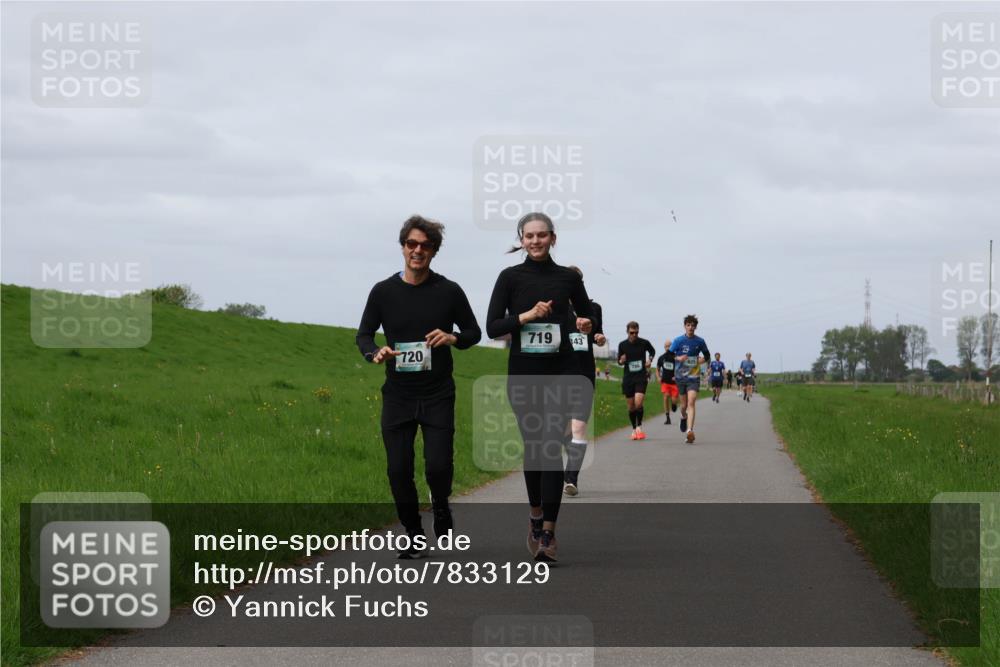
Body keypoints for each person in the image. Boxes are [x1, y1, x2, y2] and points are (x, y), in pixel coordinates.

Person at [356, 215, 482, 559]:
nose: (418, 250)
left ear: (434, 251)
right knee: (398, 469)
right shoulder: (383, 291)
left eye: (425, 246)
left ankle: (441, 505)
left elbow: (474, 333)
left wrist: (452, 336)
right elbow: (364, 334)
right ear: (402, 248)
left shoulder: (449, 291)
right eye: (412, 244)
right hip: (398, 395)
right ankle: (413, 532)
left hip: (438, 393)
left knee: (438, 466)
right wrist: (375, 351)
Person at [486, 212, 593, 562]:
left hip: (562, 371)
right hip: (524, 375)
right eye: (529, 236)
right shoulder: (509, 277)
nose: (535, 241)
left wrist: (587, 322)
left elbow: (588, 311)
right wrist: (527, 317)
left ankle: (548, 533)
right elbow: (492, 326)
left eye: (541, 235)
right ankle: (534, 515)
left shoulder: (566, 278)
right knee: (534, 449)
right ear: (521, 238)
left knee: (550, 449)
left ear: (552, 238)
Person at [563, 266, 606, 497]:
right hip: (558, 374)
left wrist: (599, 337)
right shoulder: (555, 308)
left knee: (579, 426)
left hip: (584, 372)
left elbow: (599, 335)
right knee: (563, 430)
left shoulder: (592, 308)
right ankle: (569, 463)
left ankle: (571, 478)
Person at [669, 315, 711, 444]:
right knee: (684, 405)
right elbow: (668, 356)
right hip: (680, 376)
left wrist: (701, 360)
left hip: (694, 376)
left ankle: (689, 431)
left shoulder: (700, 341)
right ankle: (683, 416)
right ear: (685, 326)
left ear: (696, 327)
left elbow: (707, 355)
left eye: (693, 325)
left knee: (691, 402)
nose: (691, 327)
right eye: (688, 325)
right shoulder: (678, 341)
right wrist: (678, 358)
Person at [617, 322, 656, 440]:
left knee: (638, 403)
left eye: (636, 332)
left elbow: (652, 351)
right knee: (631, 407)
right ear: (627, 332)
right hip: (628, 378)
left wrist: (649, 360)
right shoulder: (622, 345)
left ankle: (639, 427)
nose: (634, 335)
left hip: (641, 377)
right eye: (632, 333)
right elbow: (619, 360)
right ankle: (634, 429)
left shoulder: (644, 343)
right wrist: (621, 361)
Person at [655, 341, 679, 424]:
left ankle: (674, 404)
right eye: (666, 346)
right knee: (666, 396)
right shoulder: (661, 358)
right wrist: (658, 377)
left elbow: (681, 368)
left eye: (669, 346)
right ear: (664, 347)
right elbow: (657, 369)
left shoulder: (676, 357)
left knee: (674, 400)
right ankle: (667, 417)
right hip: (665, 382)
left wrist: (677, 376)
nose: (668, 348)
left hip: (675, 383)